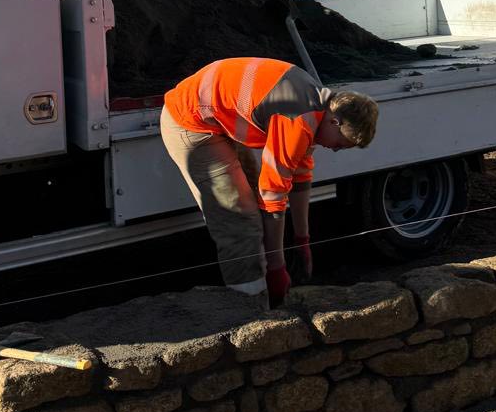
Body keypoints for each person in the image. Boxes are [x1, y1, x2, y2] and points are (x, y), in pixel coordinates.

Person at [160, 58, 379, 304]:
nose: (336, 150)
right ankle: (249, 309)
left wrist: (301, 240)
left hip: (215, 117)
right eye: (340, 144)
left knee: (252, 203)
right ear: (334, 122)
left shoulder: (320, 104)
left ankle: (262, 288)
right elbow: (273, 193)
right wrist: (277, 268)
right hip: (189, 122)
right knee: (239, 219)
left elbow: (299, 175)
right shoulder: (298, 116)